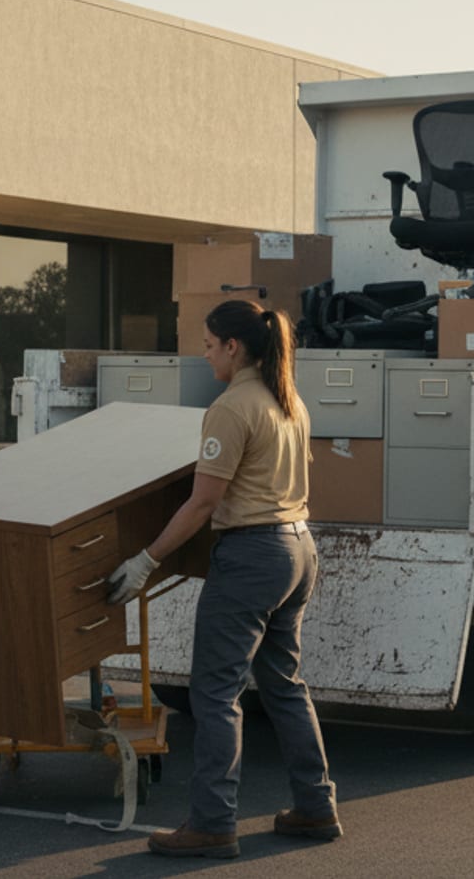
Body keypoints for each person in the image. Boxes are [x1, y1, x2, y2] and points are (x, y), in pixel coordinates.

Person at [105, 298, 341, 859]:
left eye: (209, 345)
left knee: (214, 693)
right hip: (298, 547)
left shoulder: (233, 406)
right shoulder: (289, 401)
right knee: (284, 686)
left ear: (234, 348)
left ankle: (212, 823)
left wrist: (146, 560)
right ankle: (315, 805)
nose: (204, 354)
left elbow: (202, 502)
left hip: (253, 555)